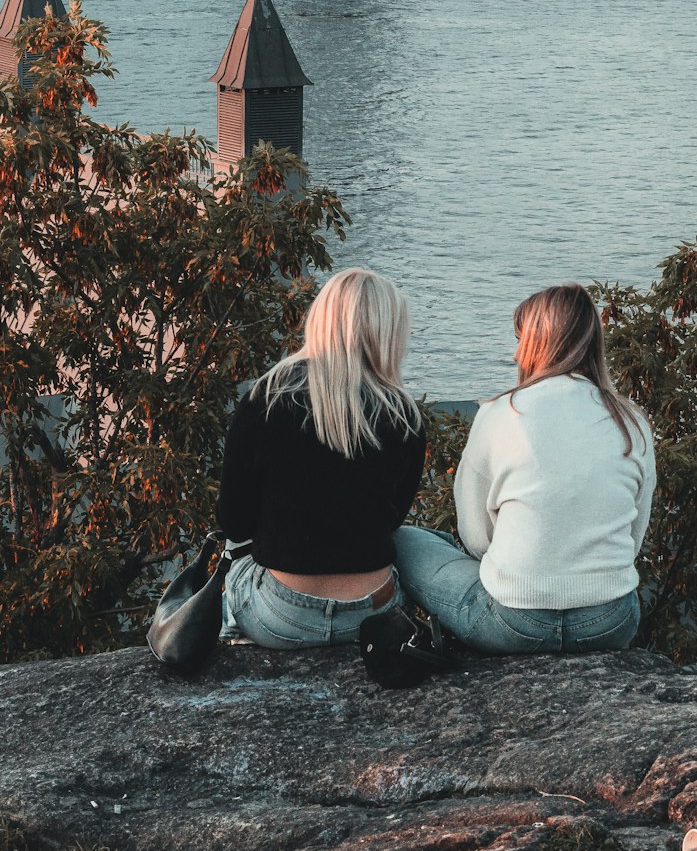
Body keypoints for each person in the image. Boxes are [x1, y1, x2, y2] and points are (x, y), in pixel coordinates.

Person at [394, 284, 655, 655]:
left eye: (521, 339)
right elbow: (633, 535)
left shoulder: (502, 413)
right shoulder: (631, 421)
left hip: (513, 624)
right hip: (610, 622)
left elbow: (476, 537)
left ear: (539, 343)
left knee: (405, 539)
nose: (516, 352)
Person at [217, 267, 426, 648]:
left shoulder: (266, 398)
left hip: (279, 617)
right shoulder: (403, 414)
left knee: (234, 559)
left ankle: (234, 633)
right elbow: (394, 517)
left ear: (320, 319)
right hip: (370, 614)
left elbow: (234, 520)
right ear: (390, 333)